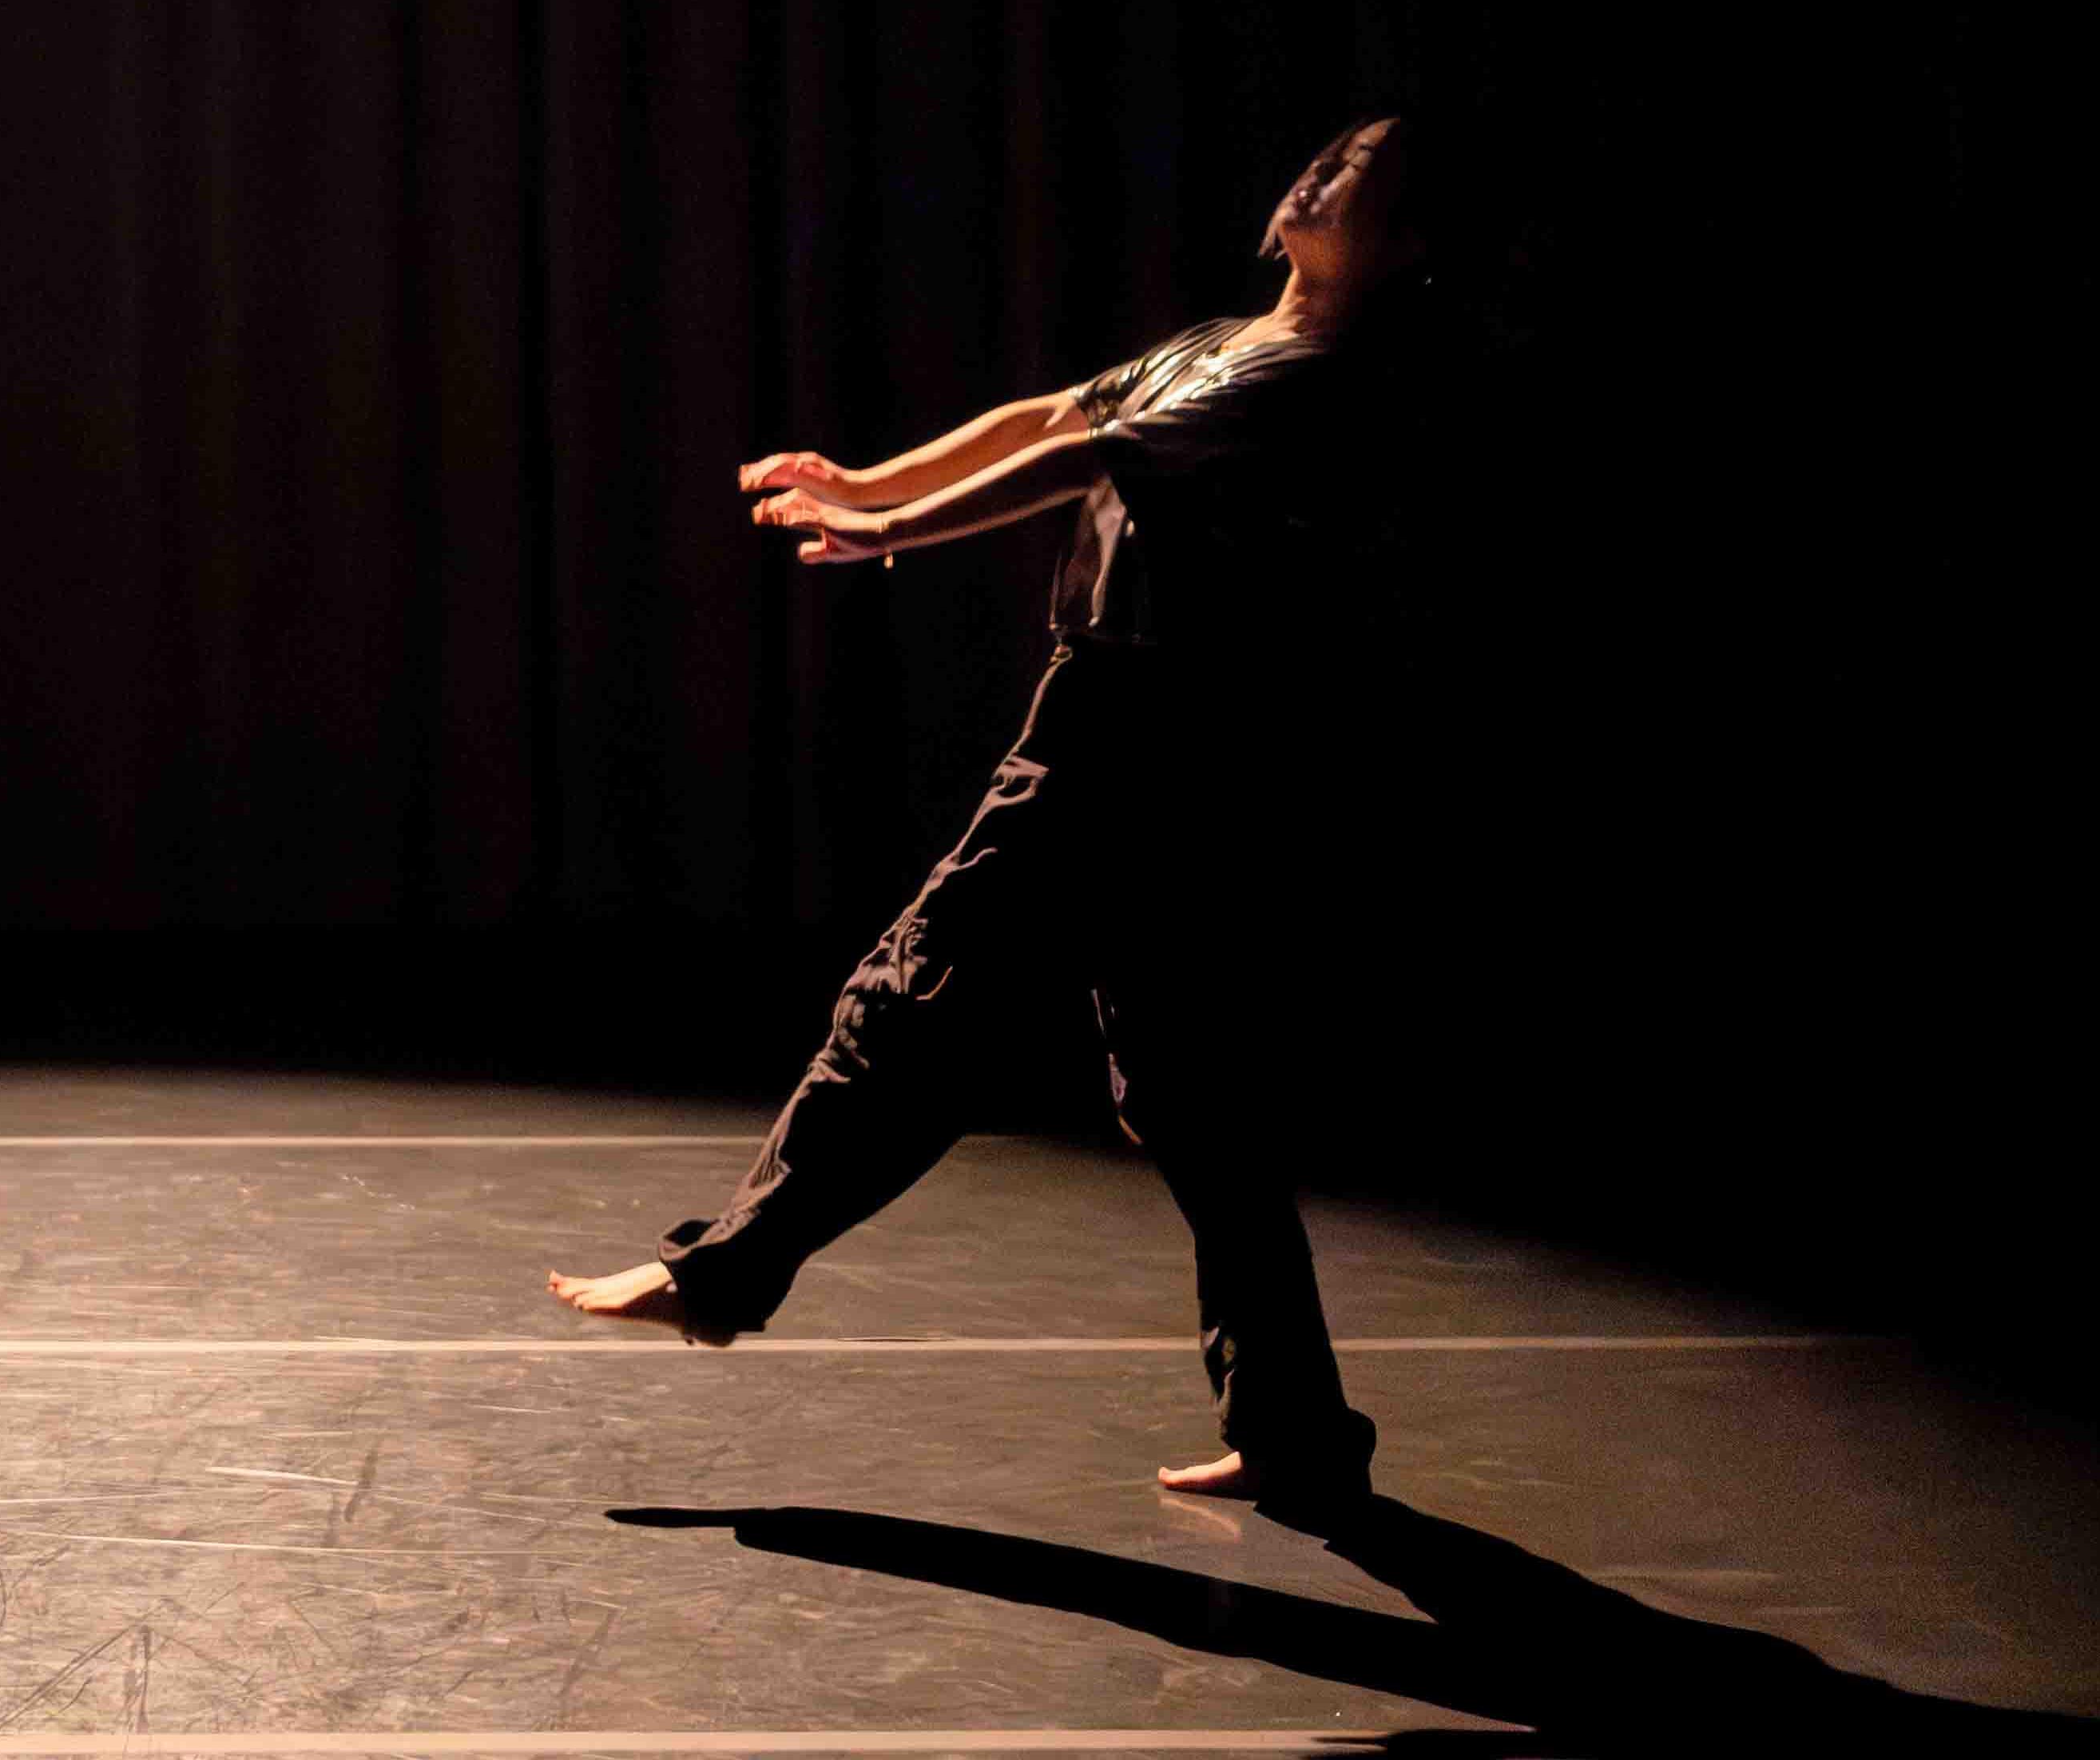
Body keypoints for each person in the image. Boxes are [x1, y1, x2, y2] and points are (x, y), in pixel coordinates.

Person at [548, 114, 1471, 1509]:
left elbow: (1072, 470)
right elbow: (1048, 419)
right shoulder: (1222, 340)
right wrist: (868, 483)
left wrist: (885, 533)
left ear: (1408, 244)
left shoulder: (1308, 375)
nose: (1319, 173)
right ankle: (1297, 1429)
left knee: (917, 995)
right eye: (1324, 154)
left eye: (1364, 174)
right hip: (1144, 726)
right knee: (1191, 1092)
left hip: (1143, 734)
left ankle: (724, 1275)